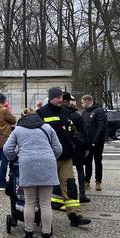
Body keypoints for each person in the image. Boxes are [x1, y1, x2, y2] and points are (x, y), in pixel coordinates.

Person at [4, 108, 62, 238]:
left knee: (29, 202)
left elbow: (7, 149)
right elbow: (58, 148)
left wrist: (15, 158)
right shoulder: (47, 127)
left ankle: (29, 235)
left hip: (27, 164)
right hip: (47, 164)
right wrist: (49, 158)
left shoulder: (18, 130)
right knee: (45, 203)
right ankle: (46, 237)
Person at [37, 88, 91, 227]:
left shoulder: (66, 113)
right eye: (57, 97)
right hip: (49, 158)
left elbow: (72, 130)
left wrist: (79, 141)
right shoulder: (41, 113)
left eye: (61, 97)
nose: (60, 99)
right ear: (50, 98)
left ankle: (75, 216)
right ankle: (39, 216)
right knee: (44, 189)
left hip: (66, 157)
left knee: (71, 187)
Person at [62, 92, 89, 203]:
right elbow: (83, 133)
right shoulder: (76, 116)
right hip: (77, 147)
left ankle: (66, 194)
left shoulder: (61, 114)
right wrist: (86, 147)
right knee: (80, 170)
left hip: (65, 147)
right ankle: (82, 194)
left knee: (64, 171)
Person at [81, 94, 107, 192]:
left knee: (98, 161)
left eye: (83, 103)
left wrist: (95, 140)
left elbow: (101, 127)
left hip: (97, 142)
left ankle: (98, 182)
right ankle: (87, 181)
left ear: (88, 102)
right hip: (87, 142)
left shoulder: (99, 111)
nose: (82, 105)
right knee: (87, 162)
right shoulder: (84, 113)